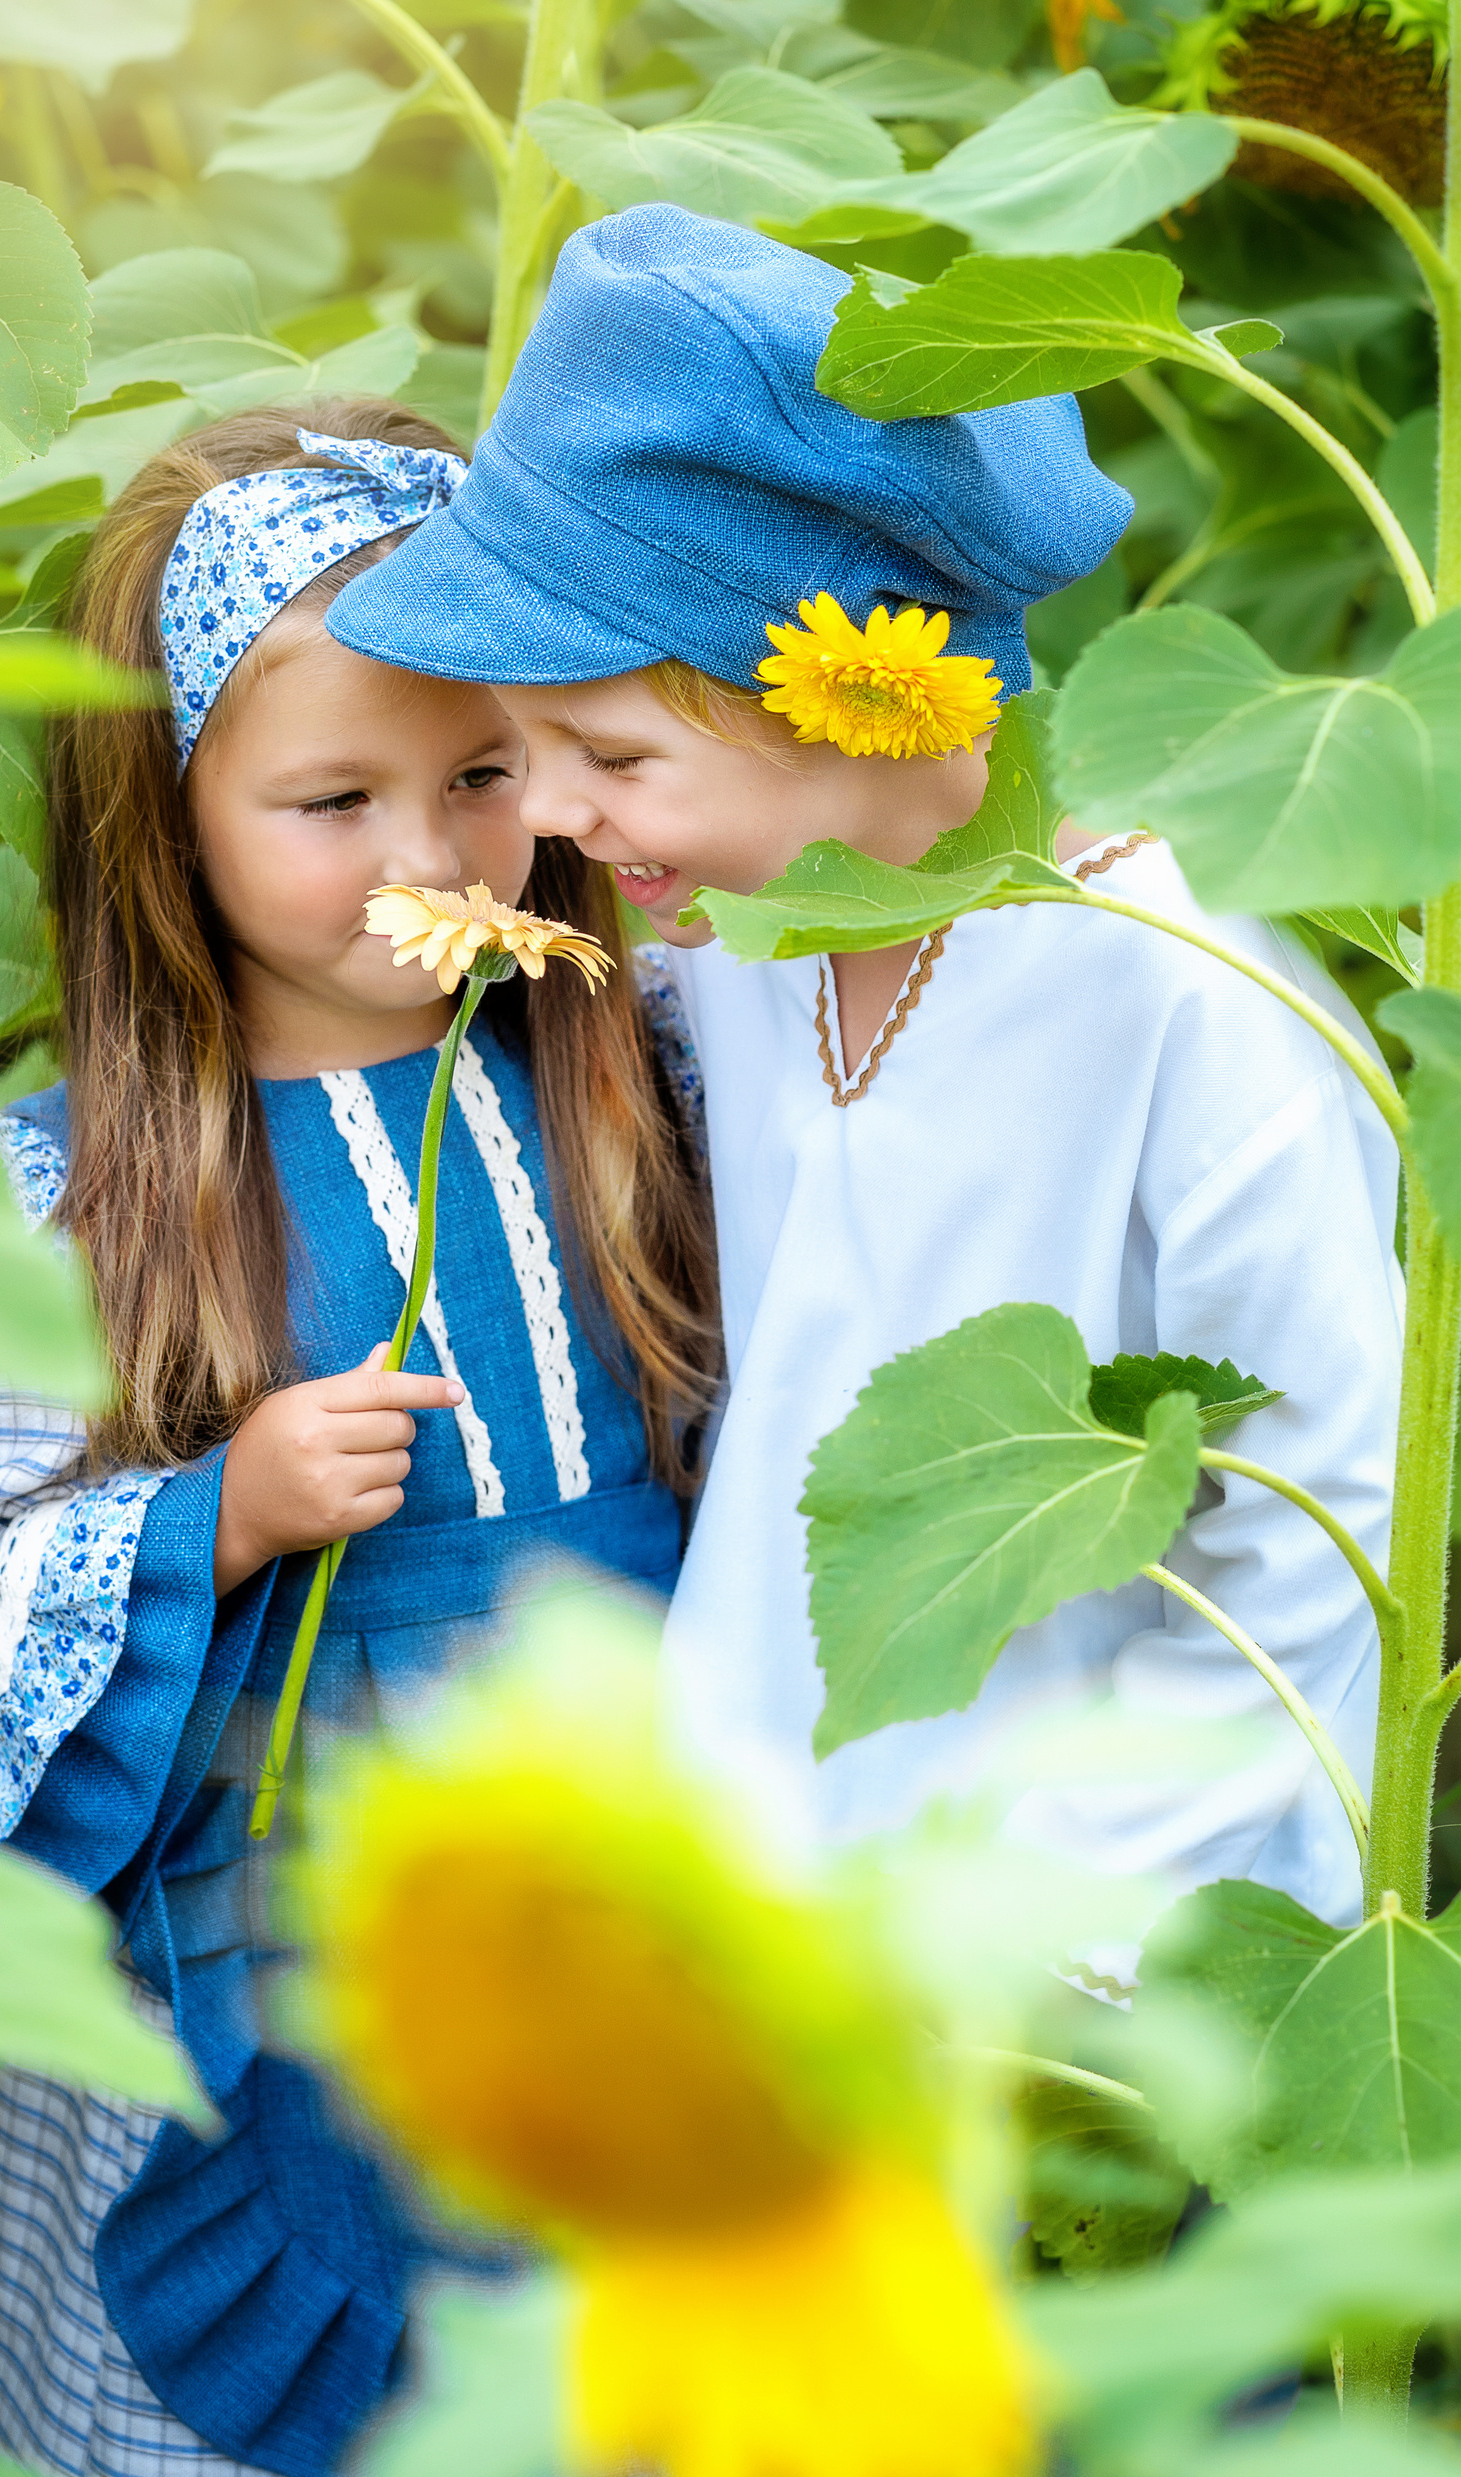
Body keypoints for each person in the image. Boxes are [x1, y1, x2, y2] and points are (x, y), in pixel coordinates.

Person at [0, 394, 717, 2477]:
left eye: (483, 774)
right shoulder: (57, 1203)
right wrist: (209, 1515)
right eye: (335, 799)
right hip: (270, 1906)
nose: (433, 859)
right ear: (168, 813)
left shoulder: (637, 1081)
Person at [326, 205, 1403, 1938]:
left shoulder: (1178, 993)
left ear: (842, 694)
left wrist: (1067, 1925)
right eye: (519, 750)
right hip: (762, 1870)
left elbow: (1318, 1523)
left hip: (1078, 1933)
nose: (549, 814)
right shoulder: (732, 937)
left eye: (610, 753)